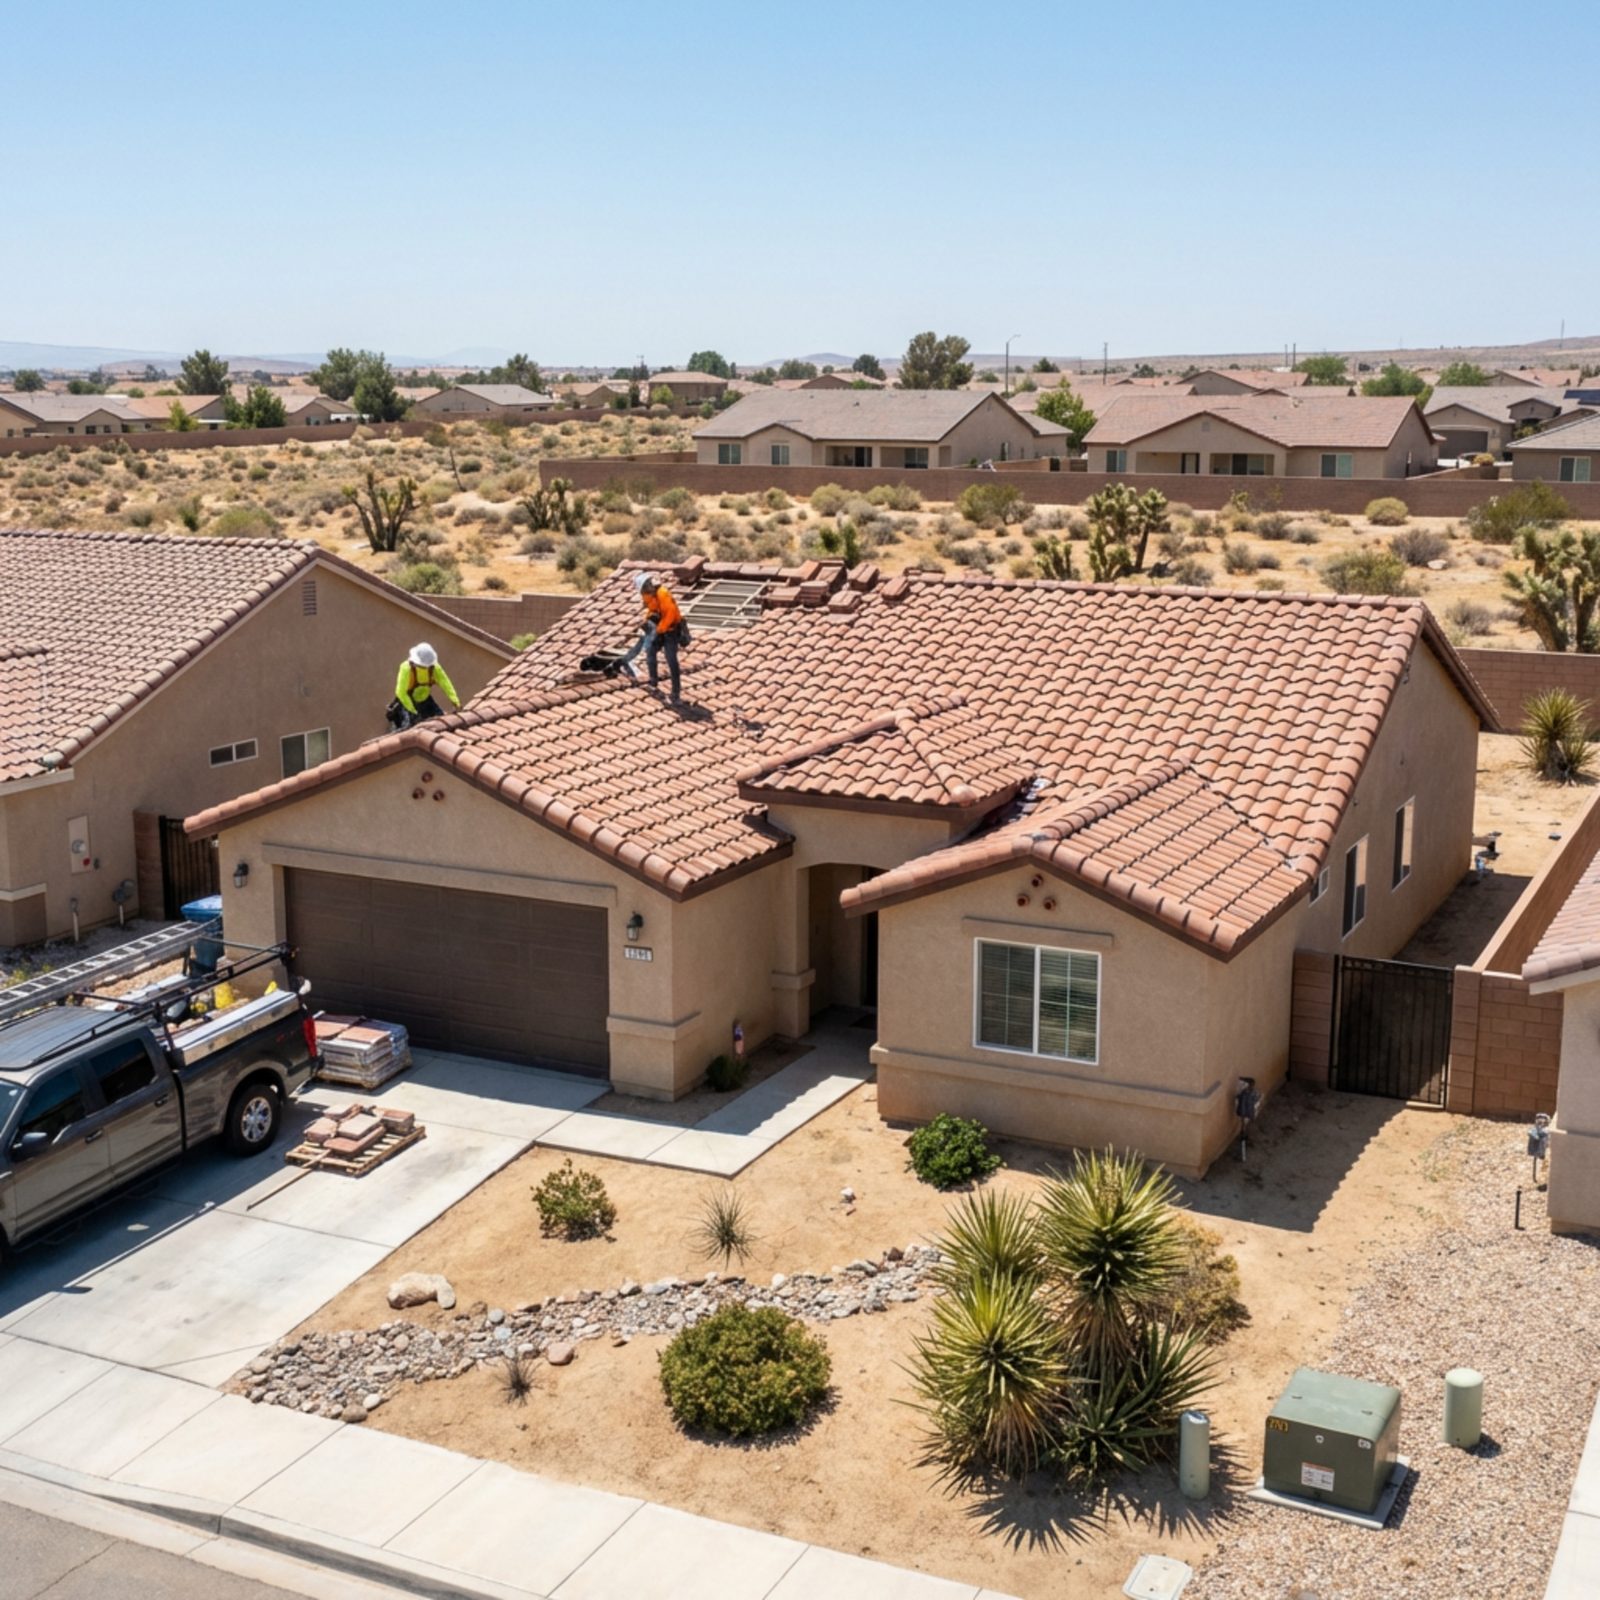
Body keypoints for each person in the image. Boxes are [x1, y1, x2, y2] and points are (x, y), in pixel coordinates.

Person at [614, 572, 687, 702]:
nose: (644, 593)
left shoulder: (663, 593)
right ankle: (653, 681)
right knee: (650, 651)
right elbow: (652, 610)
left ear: (648, 585)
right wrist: (647, 621)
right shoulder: (651, 596)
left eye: (644, 589)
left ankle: (675, 692)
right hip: (661, 630)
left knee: (671, 660)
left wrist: (659, 630)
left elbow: (670, 615)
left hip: (671, 631)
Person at [390, 642, 460, 728]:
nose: (425, 667)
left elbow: (445, 682)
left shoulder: (434, 668)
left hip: (425, 700)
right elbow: (400, 692)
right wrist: (413, 711)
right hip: (407, 703)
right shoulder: (406, 668)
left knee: (442, 723)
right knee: (408, 729)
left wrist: (455, 701)